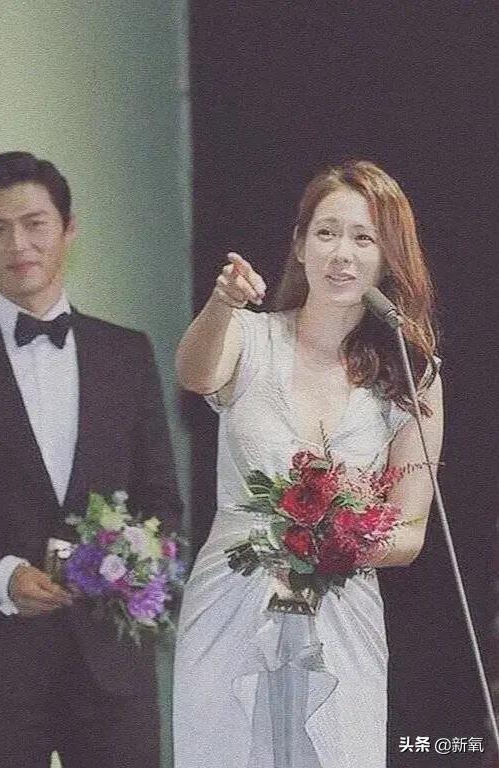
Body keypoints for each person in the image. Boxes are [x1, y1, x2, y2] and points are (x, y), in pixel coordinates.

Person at [0, 151, 182, 768]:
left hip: (113, 662)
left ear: (68, 229)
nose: (18, 244)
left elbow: (163, 503)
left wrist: (123, 570)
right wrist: (0, 576)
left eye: (34, 223)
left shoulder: (126, 352)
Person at [173, 159, 444, 768]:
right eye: (326, 233)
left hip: (343, 614)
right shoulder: (248, 337)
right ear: (299, 246)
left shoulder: (411, 374)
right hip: (231, 600)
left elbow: (411, 532)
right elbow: (194, 374)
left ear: (388, 259)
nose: (341, 254)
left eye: (363, 238)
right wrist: (221, 303)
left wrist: (342, 540)